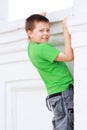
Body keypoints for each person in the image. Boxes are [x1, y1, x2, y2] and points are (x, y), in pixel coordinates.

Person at [25, 13, 74, 130]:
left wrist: (39, 17)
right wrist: (65, 32)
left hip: (56, 95)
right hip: (63, 93)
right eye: (41, 30)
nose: (46, 33)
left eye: (48, 30)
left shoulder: (31, 47)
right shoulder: (42, 48)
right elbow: (68, 56)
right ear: (30, 33)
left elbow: (29, 30)